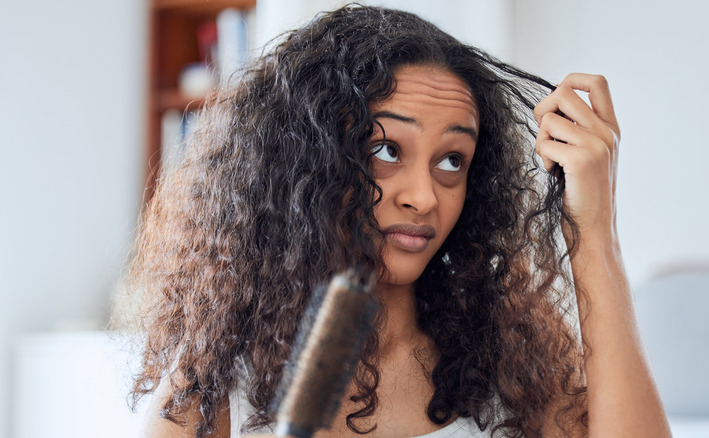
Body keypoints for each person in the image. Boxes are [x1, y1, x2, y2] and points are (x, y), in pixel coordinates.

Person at [124, 5, 671, 438]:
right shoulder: (212, 385)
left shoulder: (512, 367)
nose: (423, 196)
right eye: (386, 149)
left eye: (452, 161)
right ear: (308, 162)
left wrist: (594, 236)